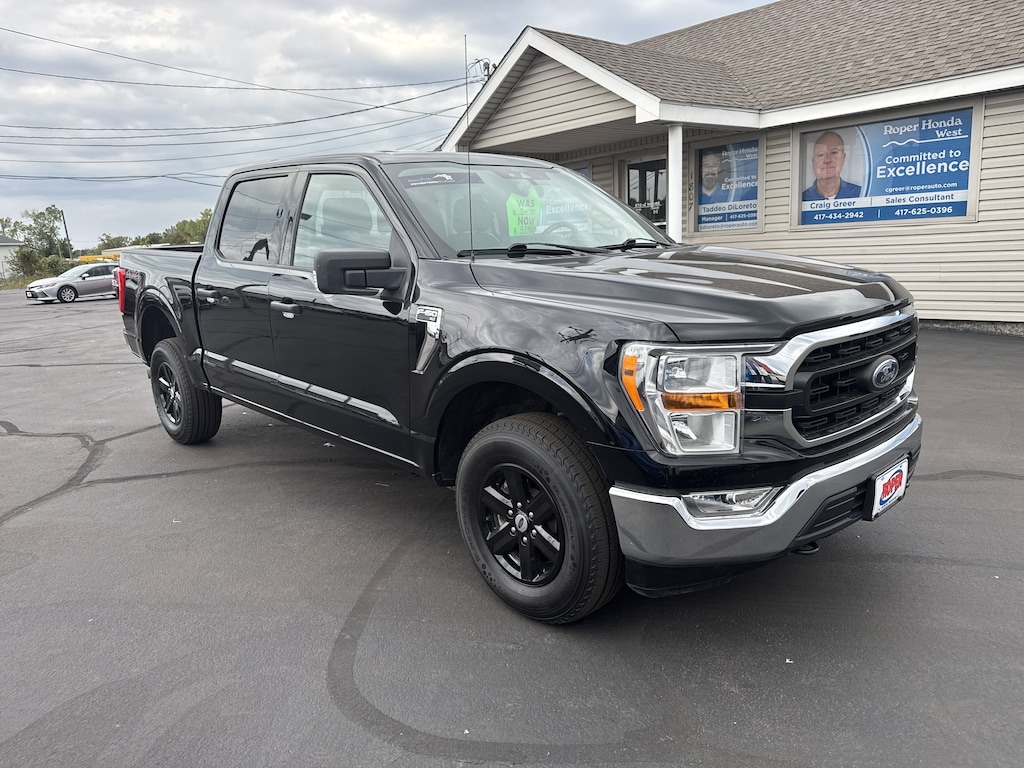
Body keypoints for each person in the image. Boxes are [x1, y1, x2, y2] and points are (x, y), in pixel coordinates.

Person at [803, 131, 862, 200]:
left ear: (843, 158)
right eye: (821, 154)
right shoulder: (801, 200)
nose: (827, 160)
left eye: (834, 153)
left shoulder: (860, 194)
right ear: (813, 162)